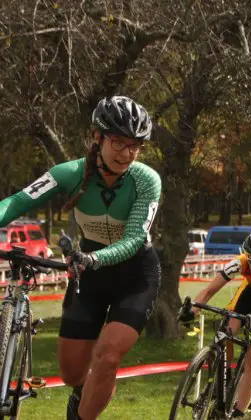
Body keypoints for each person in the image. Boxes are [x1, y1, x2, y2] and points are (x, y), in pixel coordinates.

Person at [0, 96, 161, 419]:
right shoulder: (68, 172)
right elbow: (18, 201)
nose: (127, 154)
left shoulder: (146, 180)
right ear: (97, 137)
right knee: (73, 374)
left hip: (135, 275)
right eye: (118, 142)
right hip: (89, 275)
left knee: (108, 356)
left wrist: (93, 259)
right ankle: (81, 396)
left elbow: (133, 239)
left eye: (135, 146)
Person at [184, 229, 251, 418]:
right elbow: (209, 291)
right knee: (224, 334)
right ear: (246, 256)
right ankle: (223, 382)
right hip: (250, 295)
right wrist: (192, 310)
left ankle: (239, 412)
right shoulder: (239, 263)